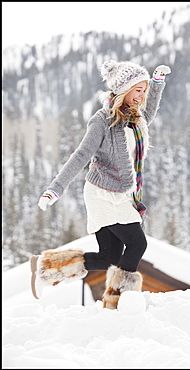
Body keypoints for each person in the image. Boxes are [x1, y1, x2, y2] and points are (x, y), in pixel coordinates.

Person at [30, 60, 171, 309]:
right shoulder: (102, 120)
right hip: (103, 194)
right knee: (138, 243)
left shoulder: (136, 118)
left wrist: (158, 84)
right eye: (137, 90)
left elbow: (150, 114)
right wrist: (55, 188)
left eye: (144, 90)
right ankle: (119, 301)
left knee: (110, 257)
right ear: (123, 89)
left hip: (122, 194)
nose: (142, 95)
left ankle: (47, 267)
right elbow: (81, 155)